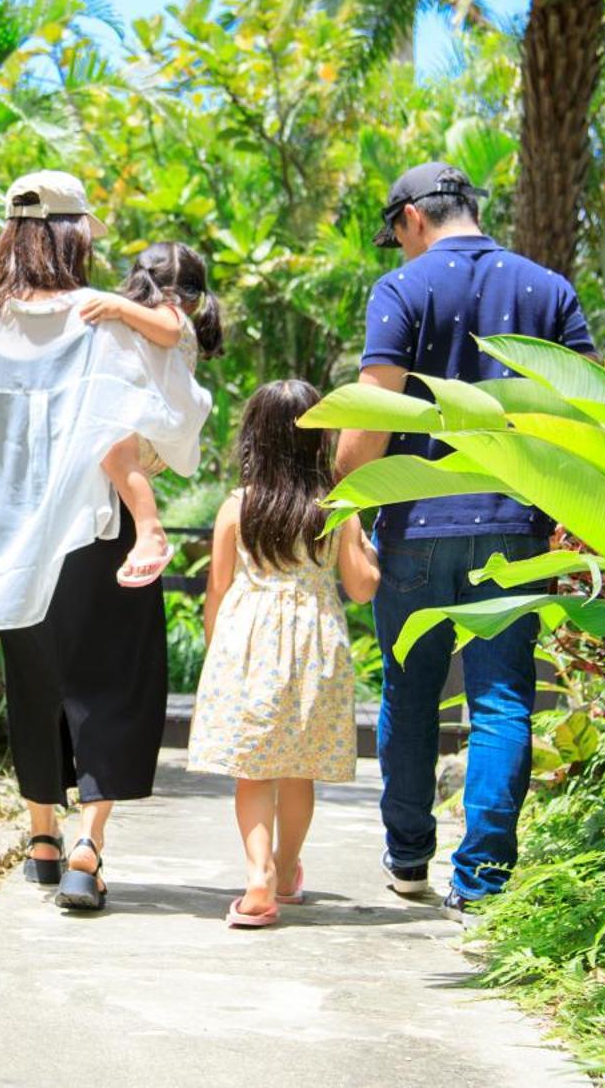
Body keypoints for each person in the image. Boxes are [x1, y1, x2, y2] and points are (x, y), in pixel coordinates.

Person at [335, 161, 594, 920]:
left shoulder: (404, 290)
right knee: (503, 698)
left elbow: (370, 418)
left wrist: (348, 504)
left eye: (397, 236)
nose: (400, 250)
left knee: (409, 694)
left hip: (412, 523)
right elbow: (581, 414)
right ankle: (481, 883)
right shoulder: (549, 290)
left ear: (414, 216)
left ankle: (409, 858)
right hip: (514, 527)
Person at [0, 170, 213, 912]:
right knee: (108, 685)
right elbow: (145, 419)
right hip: (93, 533)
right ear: (72, 234)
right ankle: (84, 852)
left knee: (31, 685)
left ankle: (40, 838)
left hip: (6, 534)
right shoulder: (101, 318)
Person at [187, 380, 380, 928]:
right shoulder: (336, 506)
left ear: (256, 438)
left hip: (247, 641)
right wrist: (365, 541)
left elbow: (218, 591)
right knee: (299, 768)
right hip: (315, 639)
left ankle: (258, 878)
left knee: (253, 769)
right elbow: (363, 587)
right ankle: (288, 865)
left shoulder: (238, 507)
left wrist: (215, 655)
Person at [75, 241, 226, 587]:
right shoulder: (153, 321)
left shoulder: (171, 314)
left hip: (151, 437)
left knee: (112, 445)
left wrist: (117, 305)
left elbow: (169, 331)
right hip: (154, 439)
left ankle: (151, 531)